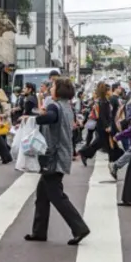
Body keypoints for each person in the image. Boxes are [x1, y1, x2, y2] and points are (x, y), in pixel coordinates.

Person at [23, 77, 91, 245]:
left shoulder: (55, 106)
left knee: (56, 195)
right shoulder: (67, 107)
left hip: (54, 156)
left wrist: (32, 119)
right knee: (42, 195)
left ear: (58, 90)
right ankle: (39, 231)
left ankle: (79, 227)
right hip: (62, 152)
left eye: (52, 86)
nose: (50, 89)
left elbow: (50, 117)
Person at [78, 82, 115, 165]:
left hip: (102, 125)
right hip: (103, 126)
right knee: (100, 143)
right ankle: (84, 153)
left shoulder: (103, 100)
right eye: (109, 90)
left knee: (101, 143)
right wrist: (107, 126)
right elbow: (102, 115)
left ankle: (113, 160)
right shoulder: (103, 101)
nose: (111, 92)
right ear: (106, 91)